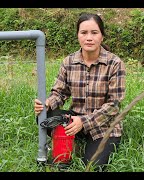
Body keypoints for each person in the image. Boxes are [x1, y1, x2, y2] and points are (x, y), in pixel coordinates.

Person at [34, 12, 126, 170]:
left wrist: (83, 122)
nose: (89, 38)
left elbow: (113, 105)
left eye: (94, 32)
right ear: (78, 35)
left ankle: (85, 144)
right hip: (74, 120)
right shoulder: (69, 62)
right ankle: (72, 142)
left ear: (102, 36)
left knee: (92, 166)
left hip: (104, 126)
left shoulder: (114, 63)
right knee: (44, 116)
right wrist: (48, 103)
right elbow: (60, 93)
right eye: (84, 32)